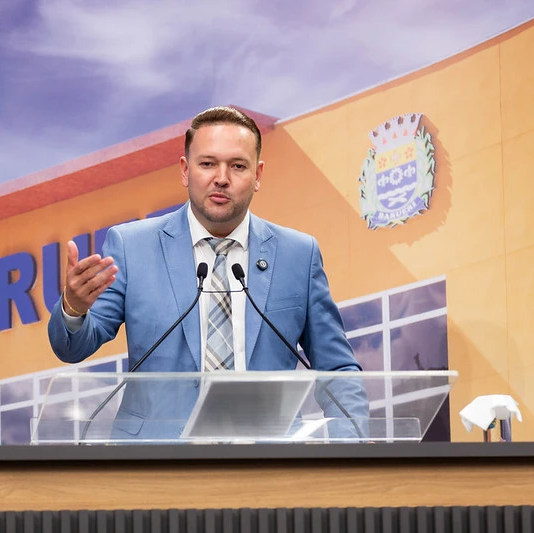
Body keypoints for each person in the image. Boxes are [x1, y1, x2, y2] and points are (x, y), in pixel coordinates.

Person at [48, 106, 368, 440]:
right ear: (185, 171)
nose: (222, 178)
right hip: (157, 458)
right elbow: (73, 349)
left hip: (269, 458)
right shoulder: (131, 246)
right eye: (208, 164)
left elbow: (337, 368)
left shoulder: (298, 254)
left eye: (238, 165)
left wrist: (351, 443)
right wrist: (74, 309)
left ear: (258, 175)